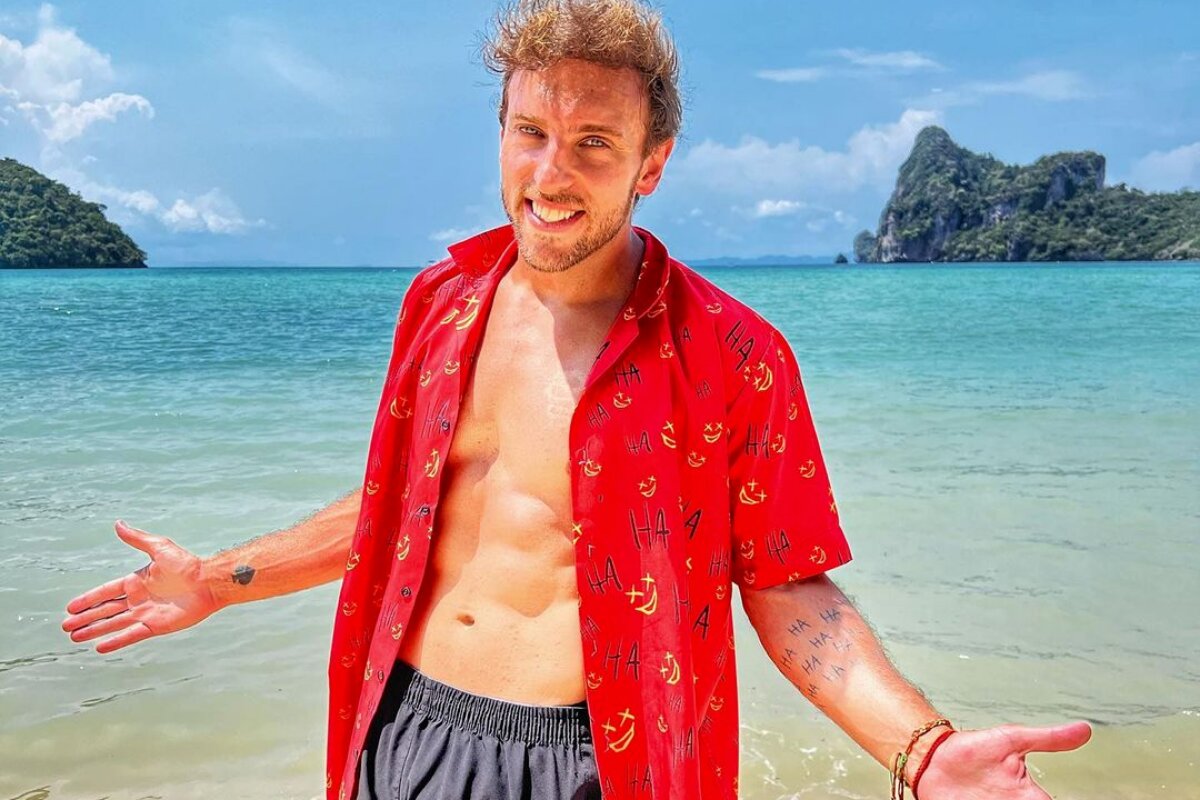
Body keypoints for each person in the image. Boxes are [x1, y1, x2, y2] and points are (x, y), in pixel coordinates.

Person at [62, 1, 1094, 798]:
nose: (552, 173)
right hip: (405, 722)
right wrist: (218, 577)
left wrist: (922, 749)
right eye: (529, 133)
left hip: (601, 758)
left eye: (595, 142)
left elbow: (790, 589)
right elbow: (400, 511)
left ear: (653, 163)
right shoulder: (440, 302)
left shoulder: (736, 355)